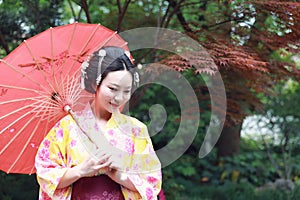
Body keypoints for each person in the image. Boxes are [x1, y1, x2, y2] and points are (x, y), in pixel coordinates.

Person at [35, 46, 162, 200]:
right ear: (96, 84)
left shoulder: (136, 130)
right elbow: (46, 176)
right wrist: (81, 170)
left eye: (126, 91)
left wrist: (118, 174)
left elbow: (151, 182)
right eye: (113, 88)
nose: (119, 98)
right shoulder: (66, 127)